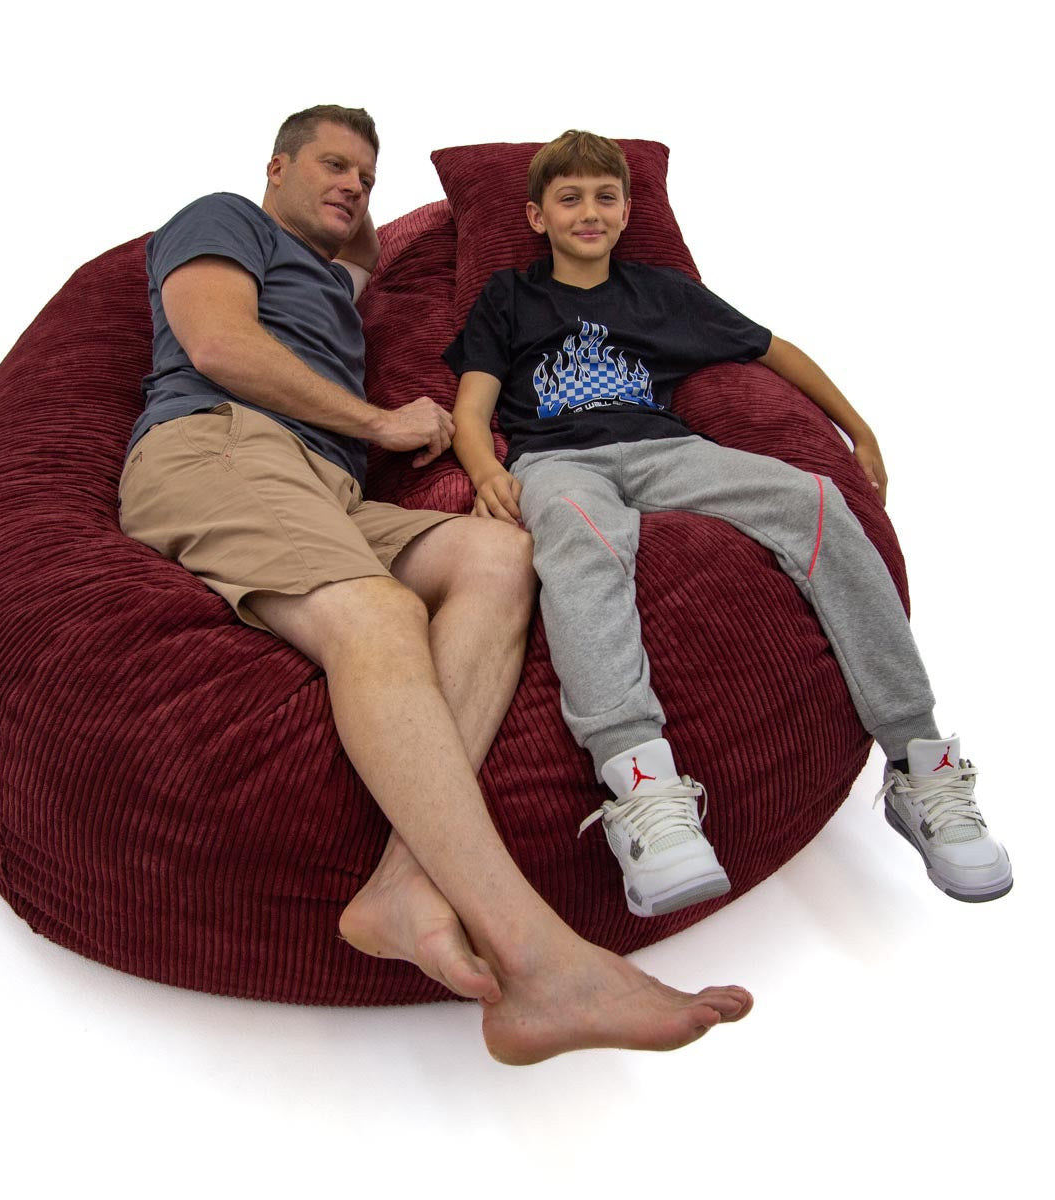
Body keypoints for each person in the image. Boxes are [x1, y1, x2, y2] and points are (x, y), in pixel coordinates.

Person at [118, 106, 754, 1065]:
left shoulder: (333, 274)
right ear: (273, 167)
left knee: (499, 554)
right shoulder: (222, 218)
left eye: (367, 177)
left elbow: (375, 247)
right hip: (218, 446)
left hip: (319, 491)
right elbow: (218, 347)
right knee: (375, 614)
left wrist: (360, 208)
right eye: (332, 166)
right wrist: (375, 425)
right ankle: (540, 962)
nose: (354, 187)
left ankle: (406, 883)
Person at [446, 129, 1012, 920]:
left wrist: (858, 427)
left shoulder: (661, 292)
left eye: (605, 196)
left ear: (627, 210)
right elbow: (470, 408)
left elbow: (775, 351)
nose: (589, 210)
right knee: (579, 537)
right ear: (536, 215)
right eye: (568, 197)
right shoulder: (508, 297)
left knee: (817, 500)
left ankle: (919, 761)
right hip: (557, 462)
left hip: (665, 447)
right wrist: (484, 471)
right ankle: (641, 785)